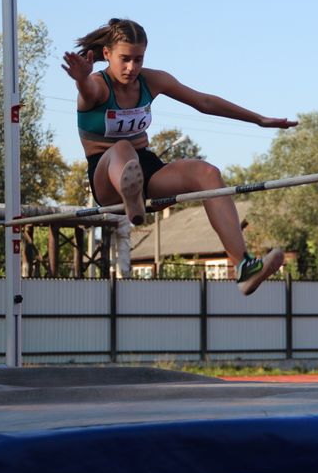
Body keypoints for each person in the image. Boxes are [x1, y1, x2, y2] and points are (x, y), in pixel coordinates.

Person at [62, 18, 297, 295]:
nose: (132, 68)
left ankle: (243, 267)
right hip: (107, 176)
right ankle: (129, 195)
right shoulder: (97, 85)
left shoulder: (152, 80)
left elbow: (204, 102)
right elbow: (88, 91)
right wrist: (81, 79)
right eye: (125, 59)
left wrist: (258, 119)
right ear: (107, 54)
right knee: (123, 148)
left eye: (138, 59)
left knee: (207, 173)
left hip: (146, 170)